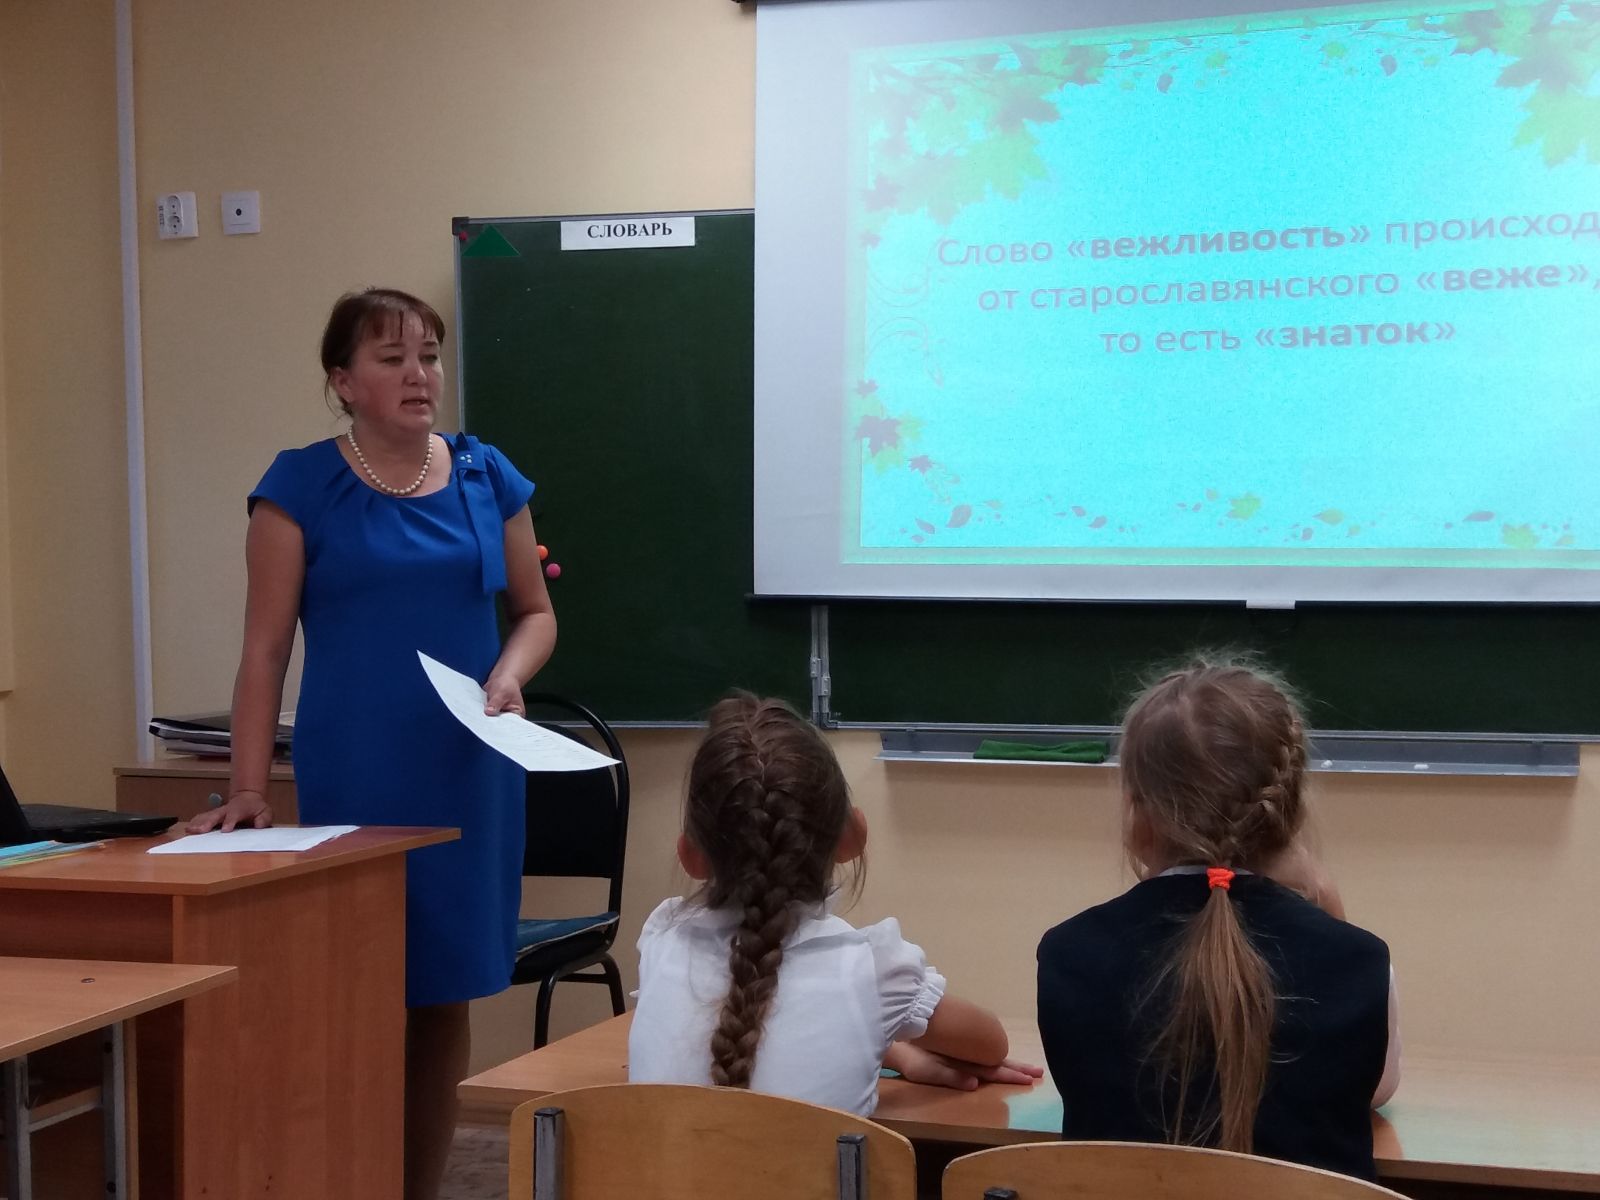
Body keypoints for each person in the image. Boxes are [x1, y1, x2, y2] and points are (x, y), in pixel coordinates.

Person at [187, 287, 555, 1200]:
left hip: (467, 771)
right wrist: (248, 789)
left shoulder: (487, 475)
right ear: (343, 381)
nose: (419, 374)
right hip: (358, 769)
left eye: (428, 355)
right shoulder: (298, 486)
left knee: (440, 994)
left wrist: (509, 675)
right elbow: (264, 652)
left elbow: (536, 613)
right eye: (392, 359)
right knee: (357, 992)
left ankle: (416, 1188)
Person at [1036, 660, 1400, 1180]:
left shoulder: (1069, 956)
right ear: (1290, 810)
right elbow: (1376, 1089)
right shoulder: (1358, 962)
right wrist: (1328, 905)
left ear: (1138, 813)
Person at [628, 693, 1038, 1114]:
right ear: (853, 836)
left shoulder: (663, 939)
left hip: (655, 1162)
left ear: (690, 855)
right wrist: (889, 1037)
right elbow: (990, 1044)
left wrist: (891, 1048)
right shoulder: (874, 969)